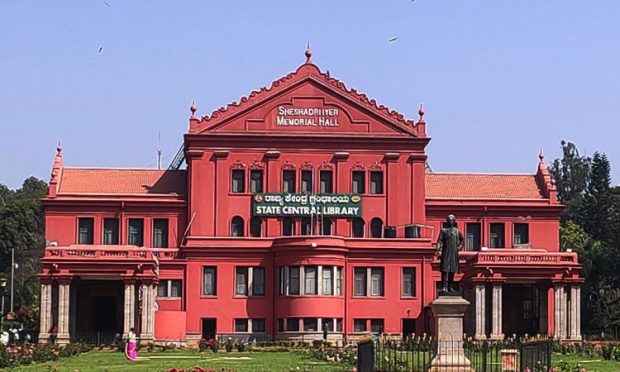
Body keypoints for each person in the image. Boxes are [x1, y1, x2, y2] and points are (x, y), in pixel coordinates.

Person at [435, 214, 464, 294]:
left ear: (454, 221)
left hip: (454, 253)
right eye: (449, 220)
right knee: (445, 270)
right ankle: (444, 287)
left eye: (451, 220)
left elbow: (462, 241)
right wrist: (438, 249)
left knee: (452, 270)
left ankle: (450, 287)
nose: (450, 221)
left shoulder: (457, 231)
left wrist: (459, 247)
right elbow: (440, 241)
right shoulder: (443, 230)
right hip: (446, 252)